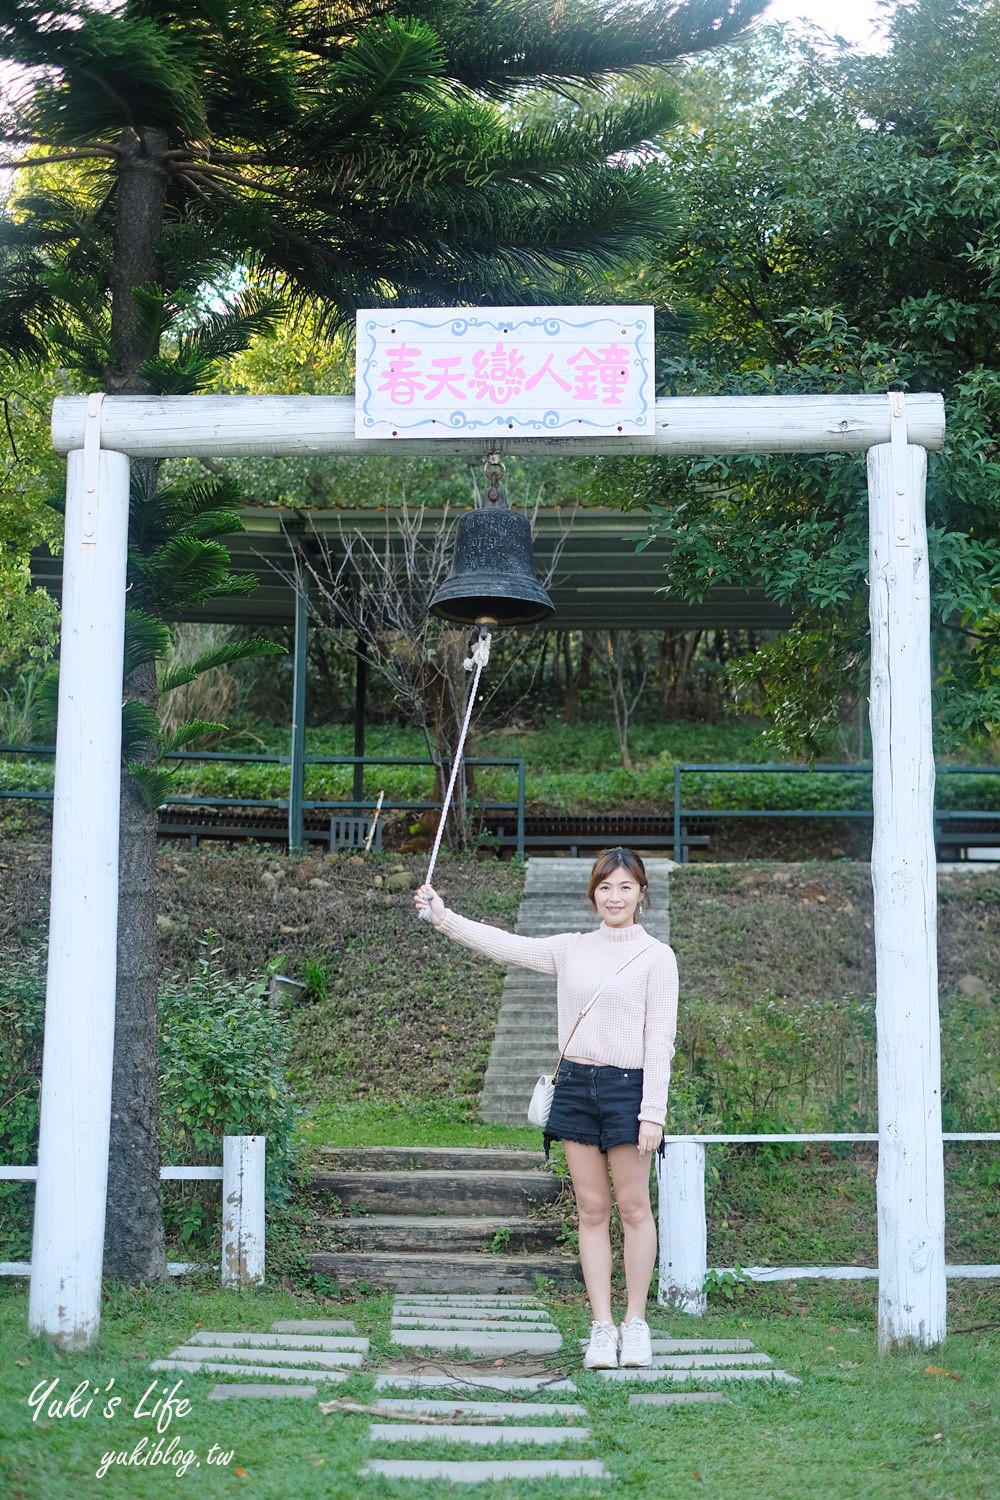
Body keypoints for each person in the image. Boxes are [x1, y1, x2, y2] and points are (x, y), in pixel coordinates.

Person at [414, 847, 678, 1370]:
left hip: (630, 1089)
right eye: (605, 887)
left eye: (625, 887)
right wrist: (442, 917)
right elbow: (505, 947)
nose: (615, 896)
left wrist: (654, 1112)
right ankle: (601, 1326)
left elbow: (659, 1042)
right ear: (593, 894)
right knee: (591, 1209)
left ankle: (636, 1322)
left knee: (633, 1208)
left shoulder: (657, 958)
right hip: (576, 1085)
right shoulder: (570, 949)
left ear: (641, 893)